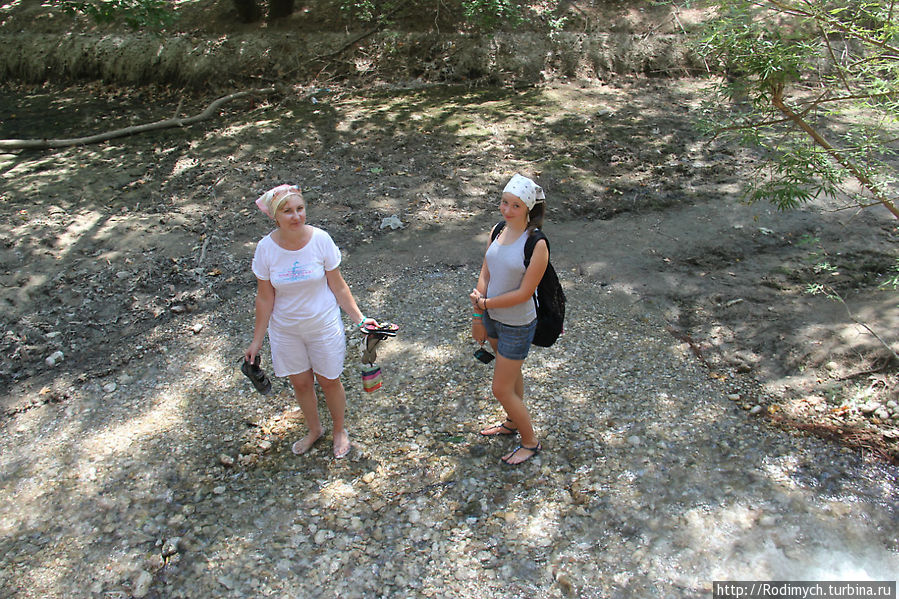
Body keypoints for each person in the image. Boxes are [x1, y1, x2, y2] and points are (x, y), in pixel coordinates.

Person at [244, 184, 375, 459]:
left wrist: (361, 319)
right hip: (286, 330)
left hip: (323, 325)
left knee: (329, 380)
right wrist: (256, 341)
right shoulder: (266, 249)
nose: (296, 216)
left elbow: (338, 286)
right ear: (275, 216)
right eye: (288, 211)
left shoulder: (321, 240)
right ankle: (314, 430)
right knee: (301, 384)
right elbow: (265, 298)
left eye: (300, 209)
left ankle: (339, 430)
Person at [470, 174, 549, 465]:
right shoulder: (498, 229)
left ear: (528, 208)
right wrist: (479, 313)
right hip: (491, 317)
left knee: (500, 387)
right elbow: (486, 271)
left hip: (517, 324)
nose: (507, 210)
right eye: (504, 202)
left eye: (515, 206)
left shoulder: (536, 244)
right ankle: (513, 422)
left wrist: (486, 303)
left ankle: (530, 442)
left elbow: (524, 292)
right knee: (511, 375)